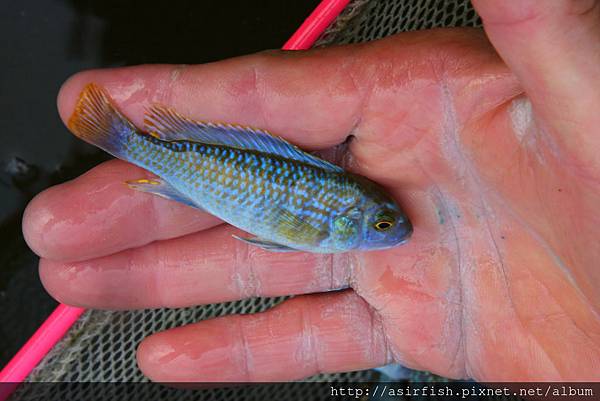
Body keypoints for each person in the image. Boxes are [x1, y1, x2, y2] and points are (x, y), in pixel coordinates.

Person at [21, 0, 600, 382]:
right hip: (191, 168)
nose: (393, 229)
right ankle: (124, 140)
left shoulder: (333, 221)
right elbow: (285, 228)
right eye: (381, 223)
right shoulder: (330, 224)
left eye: (382, 222)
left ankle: (131, 143)